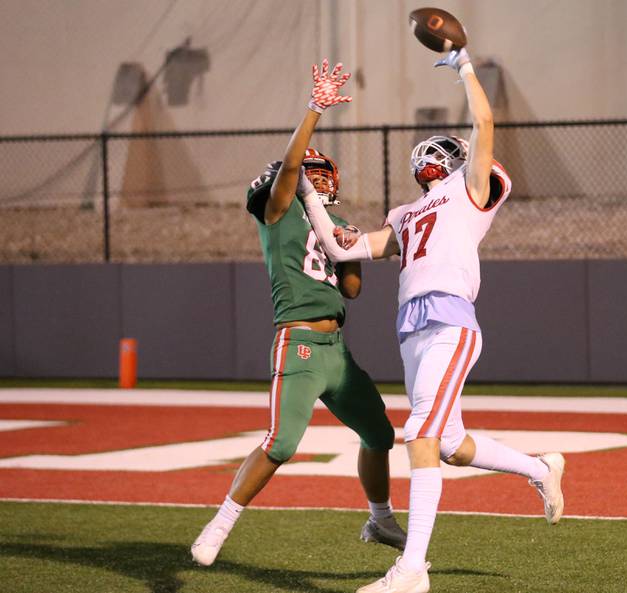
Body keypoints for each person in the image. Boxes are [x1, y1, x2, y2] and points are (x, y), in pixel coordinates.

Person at [299, 48, 565, 593]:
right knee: (448, 443)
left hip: (448, 320)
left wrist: (465, 64)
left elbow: (485, 120)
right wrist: (305, 192)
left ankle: (412, 570)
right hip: (413, 332)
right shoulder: (406, 213)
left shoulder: (471, 189)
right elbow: (340, 246)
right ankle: (542, 469)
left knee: (418, 434)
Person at [190, 59, 406, 567]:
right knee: (282, 443)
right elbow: (289, 172)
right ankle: (219, 524)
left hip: (337, 351)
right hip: (301, 342)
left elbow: (351, 289)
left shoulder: (337, 221)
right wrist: (314, 109)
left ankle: (380, 518)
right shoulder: (280, 209)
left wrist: (349, 248)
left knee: (379, 433)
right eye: (312, 175)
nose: (319, 181)